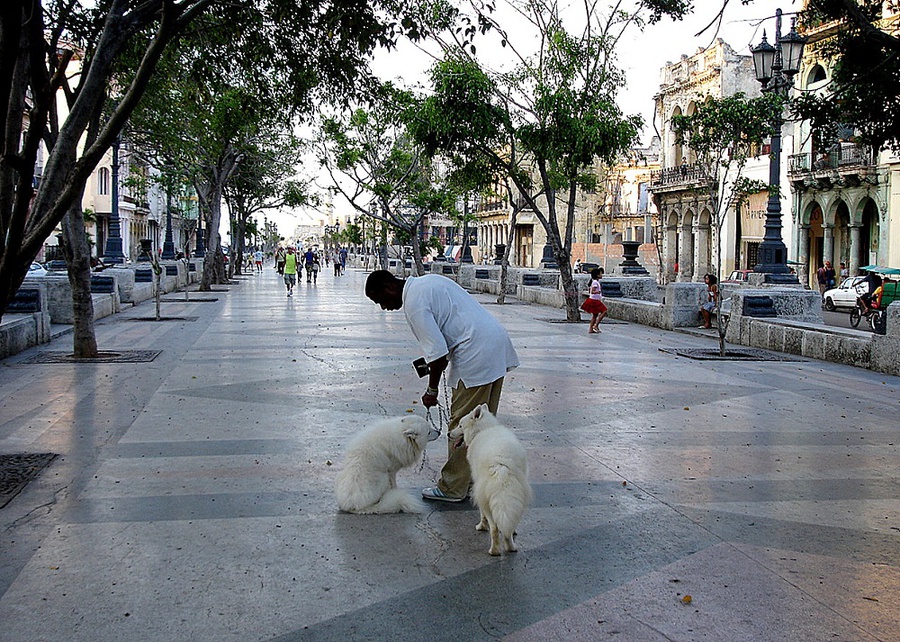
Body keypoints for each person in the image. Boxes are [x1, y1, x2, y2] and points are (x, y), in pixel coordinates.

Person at [365, 270, 519, 502]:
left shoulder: (414, 303)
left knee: (463, 425)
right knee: (482, 425)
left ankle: (453, 487)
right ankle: (470, 481)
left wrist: (432, 390)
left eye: (380, 301)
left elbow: (437, 355)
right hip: (495, 344)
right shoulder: (427, 282)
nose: (383, 307)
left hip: (475, 354)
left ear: (389, 288)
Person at [580, 267, 607, 334]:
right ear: (597, 275)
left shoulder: (595, 282)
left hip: (594, 299)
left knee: (595, 315)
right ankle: (596, 325)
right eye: (600, 274)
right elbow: (592, 291)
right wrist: (598, 292)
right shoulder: (595, 282)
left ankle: (591, 329)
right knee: (604, 311)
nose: (602, 275)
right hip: (594, 300)